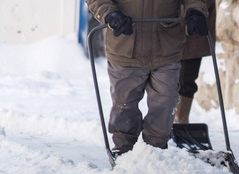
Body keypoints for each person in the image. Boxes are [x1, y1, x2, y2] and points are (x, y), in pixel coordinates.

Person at [86, 0, 209, 155]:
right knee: (124, 105)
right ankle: (123, 149)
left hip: (166, 48)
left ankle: (155, 151)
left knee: (166, 102)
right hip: (125, 45)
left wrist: (196, 11)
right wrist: (109, 13)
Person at [175, 0, 216, 124]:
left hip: (194, 33)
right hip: (167, 34)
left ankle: (180, 121)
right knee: (163, 82)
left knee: (186, 82)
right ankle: (161, 124)